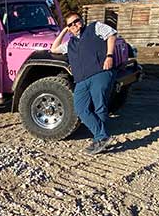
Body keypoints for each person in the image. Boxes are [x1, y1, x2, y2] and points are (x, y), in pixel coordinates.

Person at [49, 12, 119, 154]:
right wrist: (64, 31)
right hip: (81, 80)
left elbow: (111, 34)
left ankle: (99, 139)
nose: (74, 25)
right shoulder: (70, 43)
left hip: (100, 73)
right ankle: (102, 136)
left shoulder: (95, 28)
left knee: (100, 107)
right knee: (80, 108)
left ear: (81, 20)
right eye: (70, 24)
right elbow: (54, 48)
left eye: (76, 21)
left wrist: (109, 56)